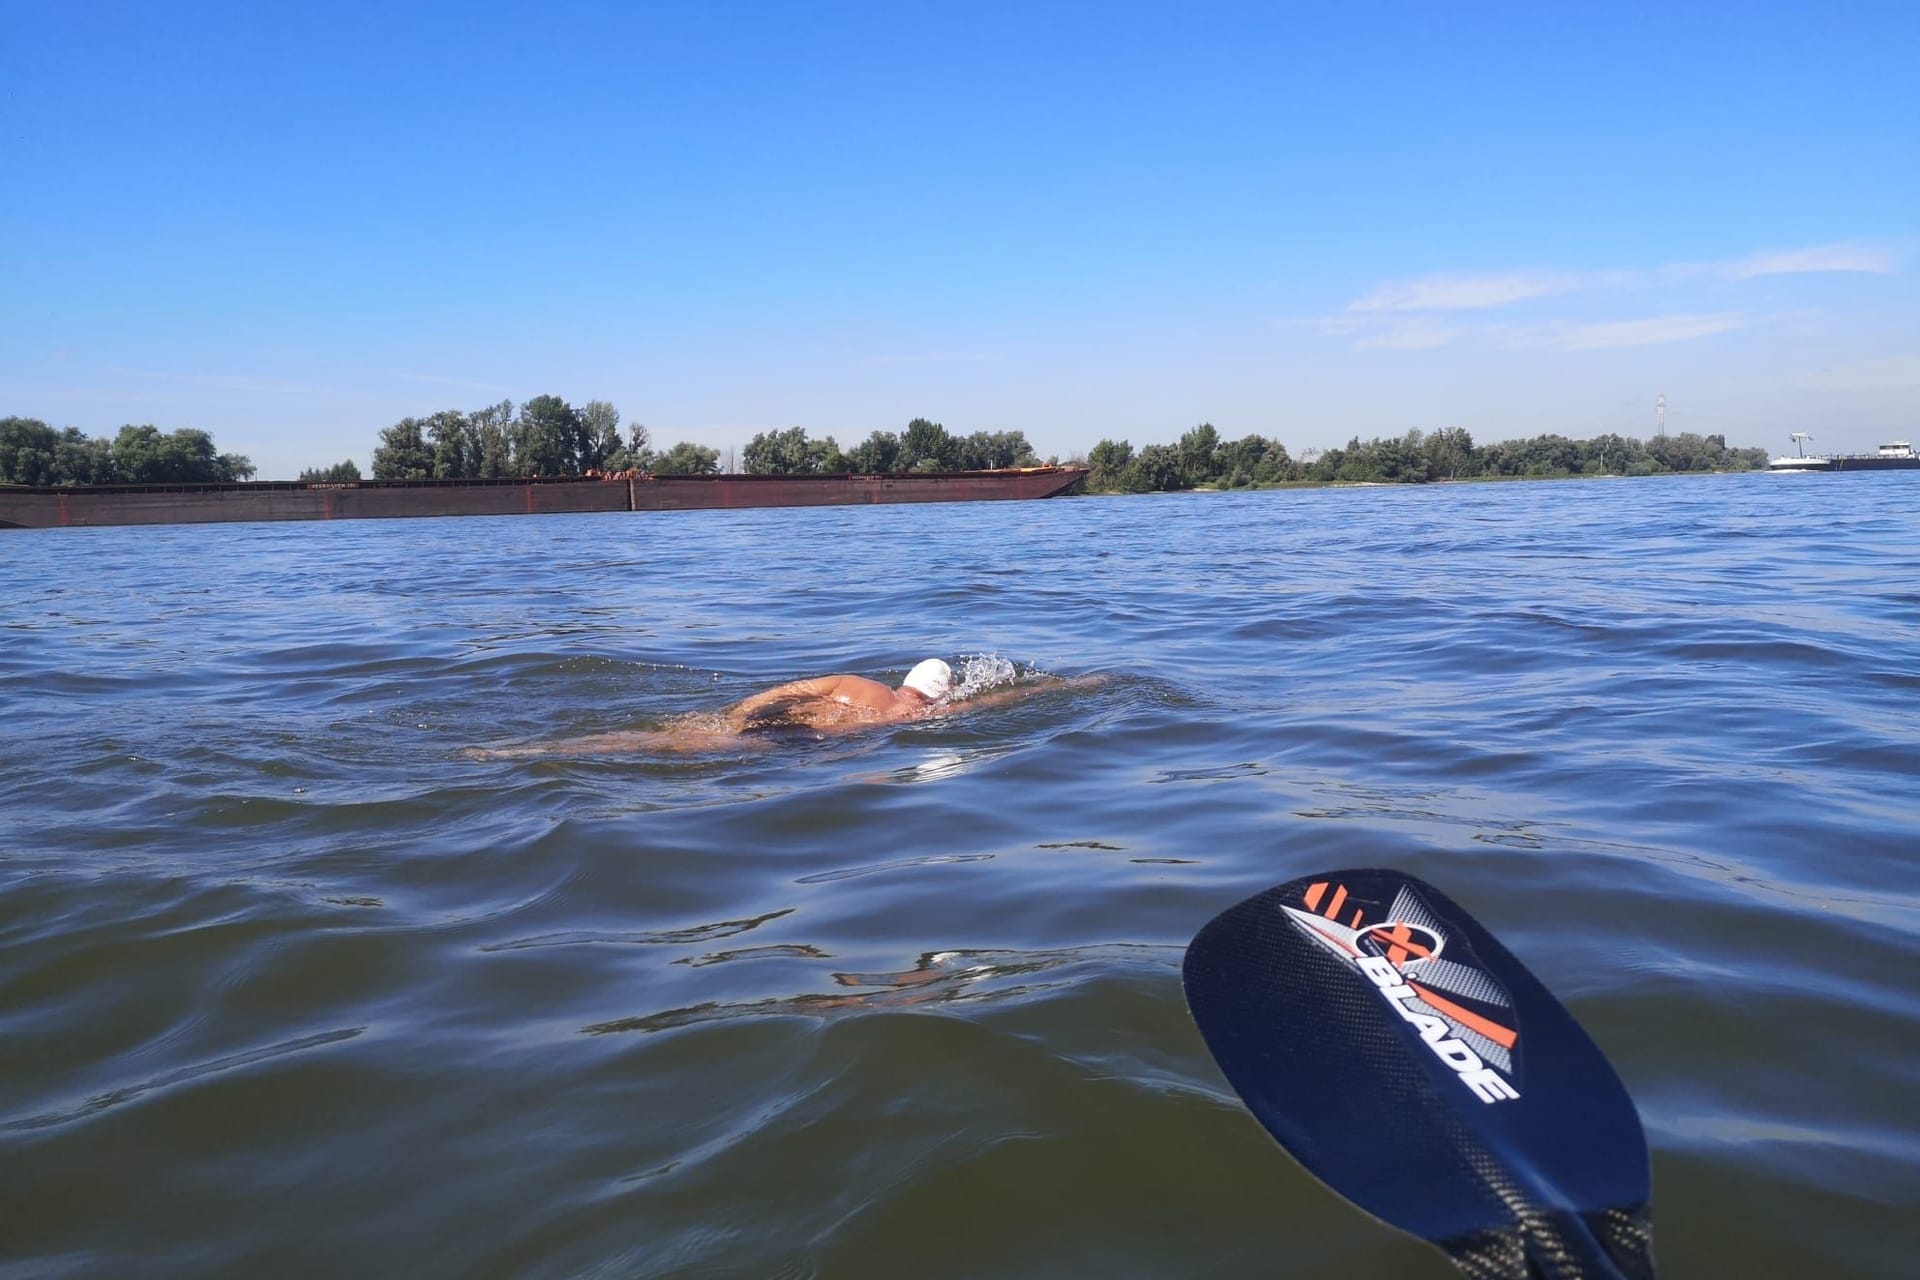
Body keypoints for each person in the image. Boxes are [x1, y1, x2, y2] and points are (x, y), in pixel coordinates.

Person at [465, 659, 1100, 758]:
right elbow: (1017, 696)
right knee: (664, 750)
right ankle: (522, 754)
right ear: (937, 694)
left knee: (661, 734)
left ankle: (530, 749)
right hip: (794, 748)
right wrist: (1072, 687)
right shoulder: (922, 716)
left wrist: (739, 710)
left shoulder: (855, 681)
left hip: (776, 720)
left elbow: (778, 692)